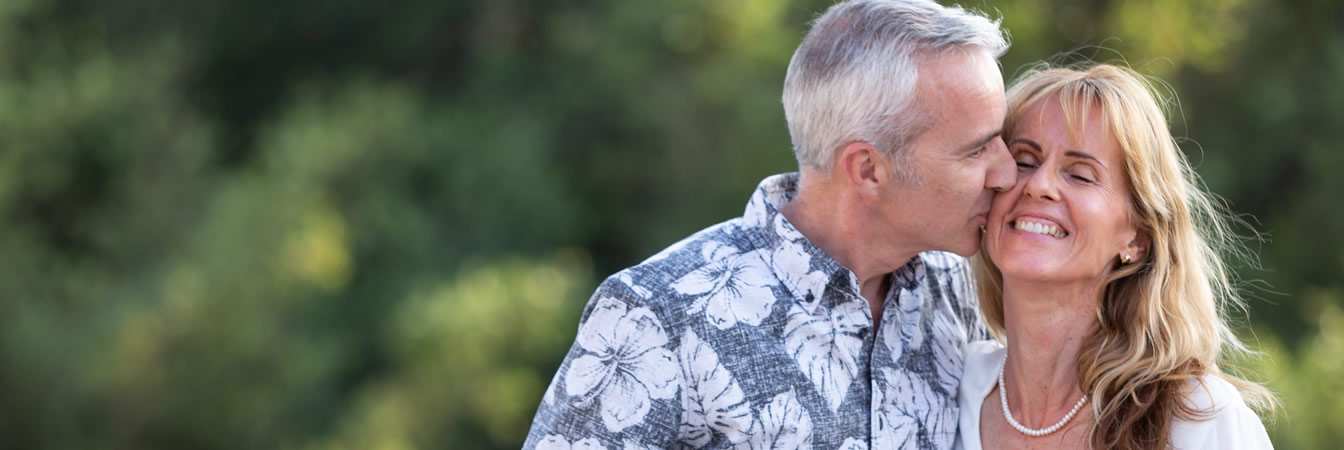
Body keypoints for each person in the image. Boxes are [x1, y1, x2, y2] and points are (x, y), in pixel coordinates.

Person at [525, 0, 1016, 448]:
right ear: (867, 169)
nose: (1008, 172)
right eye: (977, 150)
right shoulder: (655, 317)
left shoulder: (962, 293)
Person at [958, 63, 1276, 449]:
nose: (1038, 185)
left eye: (1080, 174)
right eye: (1024, 161)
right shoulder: (949, 388)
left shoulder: (1200, 419)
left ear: (1137, 237)